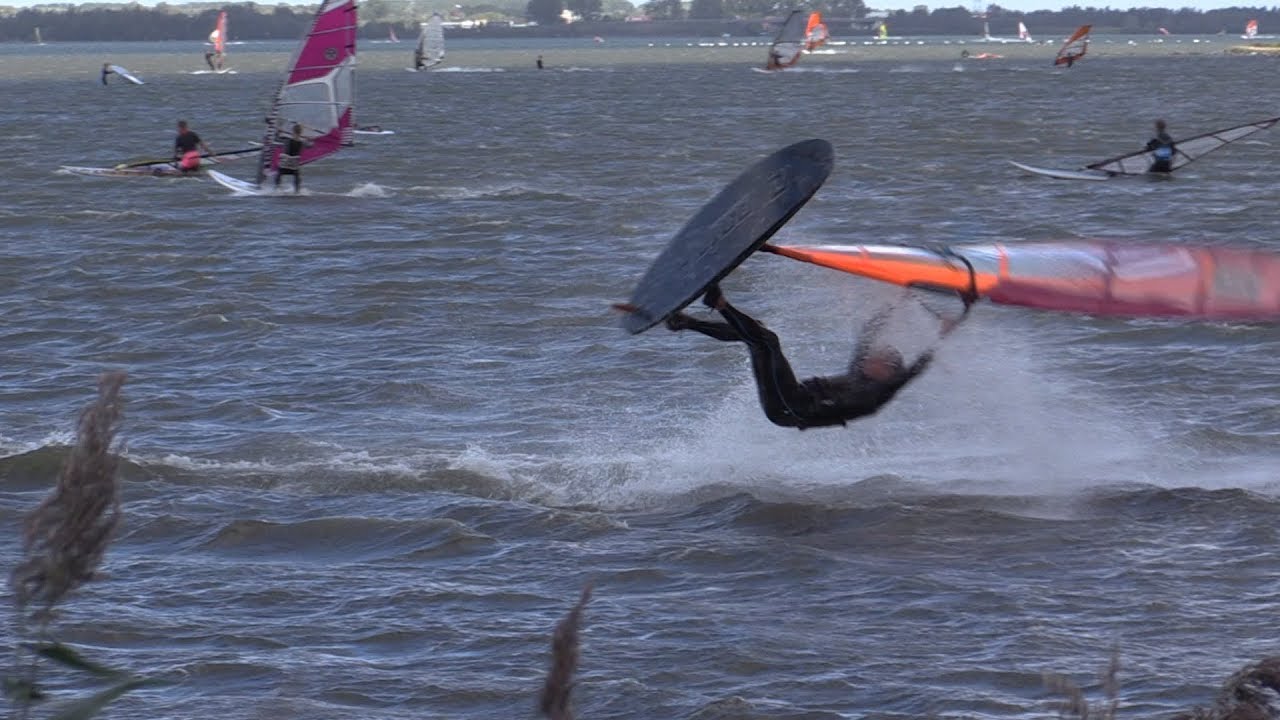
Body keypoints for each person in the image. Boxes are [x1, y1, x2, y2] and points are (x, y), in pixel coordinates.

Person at [662, 283, 974, 430]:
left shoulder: (880, 391)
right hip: (789, 402)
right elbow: (868, 334)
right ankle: (686, 322)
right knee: (759, 341)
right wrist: (898, 303)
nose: (868, 357)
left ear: (888, 371)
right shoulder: (864, 375)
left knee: (767, 340)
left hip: (791, 408)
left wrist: (952, 324)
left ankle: (719, 304)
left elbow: (920, 364)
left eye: (876, 358)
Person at [275, 123, 311, 193]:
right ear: (301, 132)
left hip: (284, 165)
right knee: (297, 175)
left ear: (293, 131)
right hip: (294, 166)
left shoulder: (286, 140)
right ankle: (297, 191)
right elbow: (310, 146)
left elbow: (277, 139)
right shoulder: (302, 142)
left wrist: (278, 132)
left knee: (279, 173)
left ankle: (276, 189)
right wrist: (309, 140)